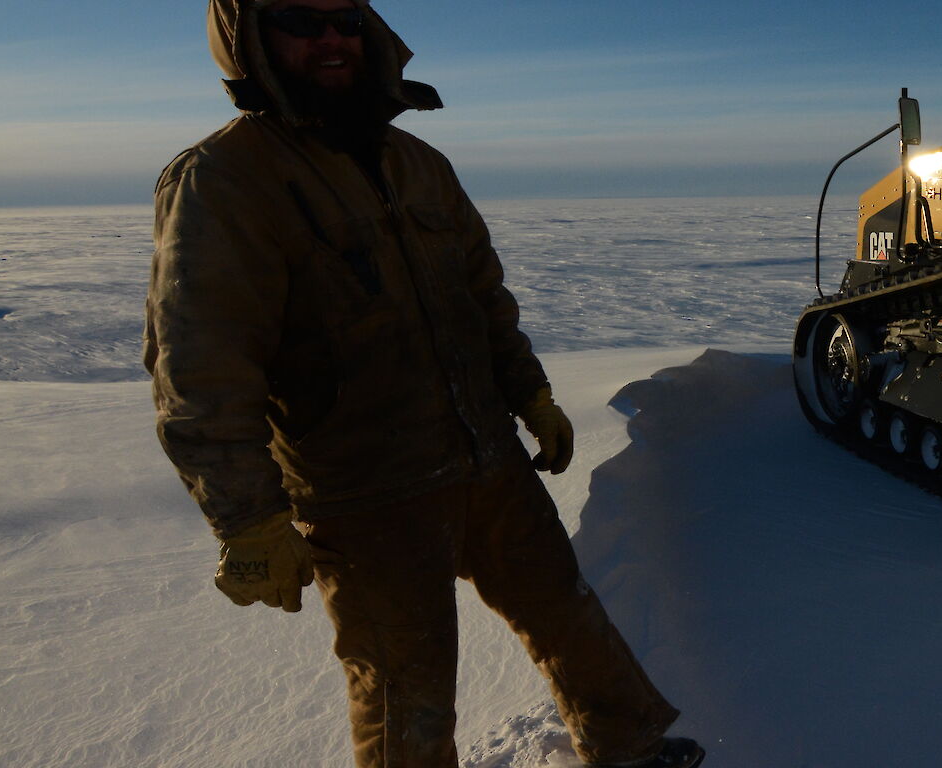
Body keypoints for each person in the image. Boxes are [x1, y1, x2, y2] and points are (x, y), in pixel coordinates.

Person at [144, 2, 702, 766]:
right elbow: (201, 365)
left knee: (565, 612)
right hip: (367, 494)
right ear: (249, 44)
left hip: (485, 457)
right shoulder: (225, 180)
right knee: (407, 684)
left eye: (343, 16)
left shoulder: (417, 164)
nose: (331, 37)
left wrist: (528, 394)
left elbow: (481, 295)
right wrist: (246, 519)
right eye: (300, 22)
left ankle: (626, 744)